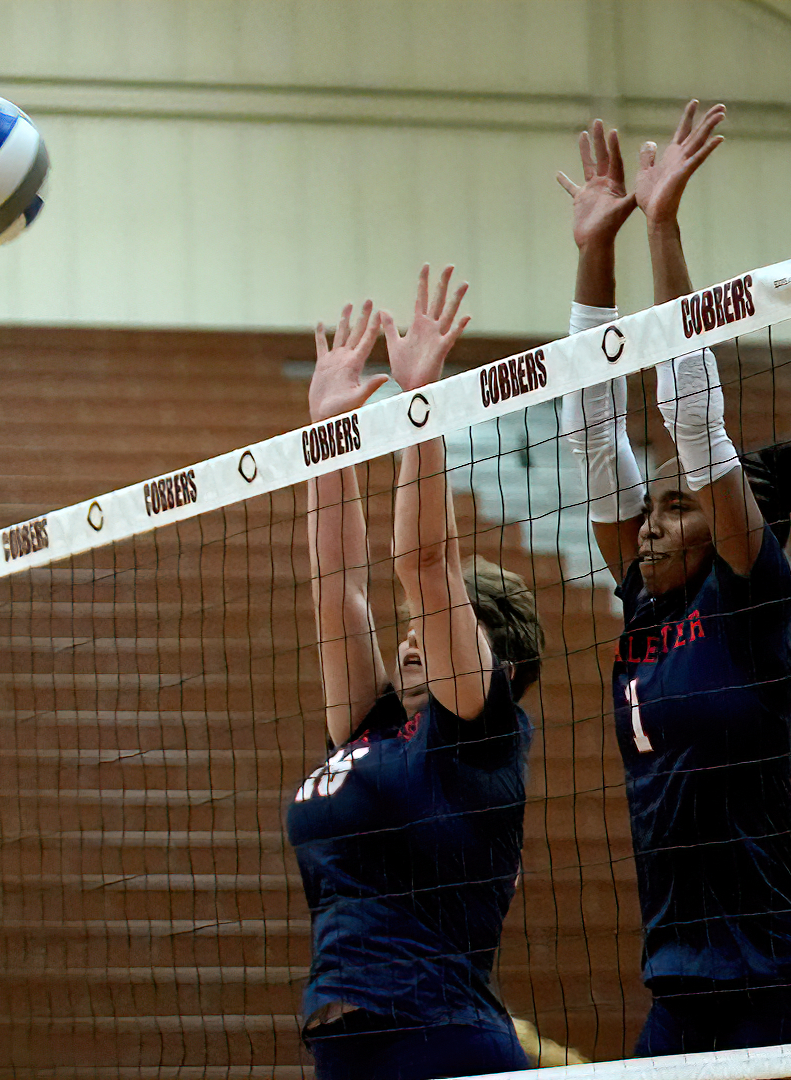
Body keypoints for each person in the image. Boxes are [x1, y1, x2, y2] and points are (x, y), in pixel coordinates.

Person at [556, 102, 791, 1055]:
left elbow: (695, 422)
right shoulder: (642, 597)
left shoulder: (749, 598)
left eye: (678, 506)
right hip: (679, 978)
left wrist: (665, 228)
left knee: (689, 433)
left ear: (725, 523)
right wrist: (596, 259)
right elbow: (594, 439)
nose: (652, 520)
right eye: (658, 505)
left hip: (782, 981)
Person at [286, 268, 546, 1079]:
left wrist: (416, 407)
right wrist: (328, 437)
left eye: (425, 635)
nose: (407, 644)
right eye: (405, 636)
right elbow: (337, 596)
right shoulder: (370, 731)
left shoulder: (477, 733)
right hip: (346, 1046)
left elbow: (427, 564)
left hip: (439, 1040)